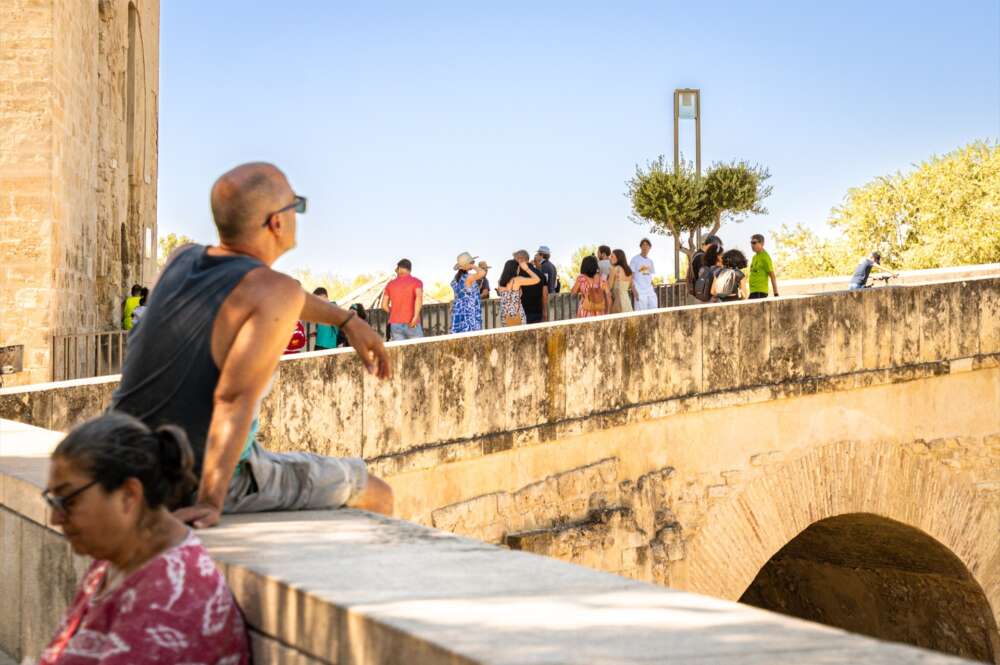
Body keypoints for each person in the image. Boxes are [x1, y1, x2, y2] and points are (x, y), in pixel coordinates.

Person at [110, 162, 393, 529]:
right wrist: (211, 500)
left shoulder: (181, 259)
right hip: (188, 480)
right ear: (277, 222)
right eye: (296, 206)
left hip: (120, 455)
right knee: (375, 492)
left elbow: (278, 295)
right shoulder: (274, 291)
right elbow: (232, 399)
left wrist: (346, 319)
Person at [38, 412, 249, 664]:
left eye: (69, 500)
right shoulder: (113, 562)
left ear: (129, 494)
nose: (56, 518)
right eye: (54, 501)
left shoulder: (172, 599)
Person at [382, 258, 424, 341]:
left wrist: (394, 312)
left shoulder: (390, 284)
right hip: (412, 322)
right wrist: (415, 317)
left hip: (395, 324)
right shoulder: (417, 282)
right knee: (418, 350)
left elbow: (384, 306)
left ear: (399, 268)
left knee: (401, 352)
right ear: (409, 269)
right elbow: (418, 298)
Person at [497, 252, 541, 327]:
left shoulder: (500, 281)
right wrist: (527, 269)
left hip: (505, 315)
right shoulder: (516, 280)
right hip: (516, 314)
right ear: (515, 269)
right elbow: (537, 280)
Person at [450, 252, 487, 333]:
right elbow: (482, 273)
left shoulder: (456, 279)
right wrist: (472, 266)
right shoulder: (468, 278)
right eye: (472, 262)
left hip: (459, 313)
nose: (473, 263)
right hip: (470, 313)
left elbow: (456, 296)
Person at [686, 235, 723, 299]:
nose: (716, 250)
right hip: (702, 296)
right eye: (716, 247)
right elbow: (705, 277)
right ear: (710, 245)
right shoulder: (701, 257)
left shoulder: (697, 254)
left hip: (698, 294)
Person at [521, 252, 550, 324]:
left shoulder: (517, 275)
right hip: (538, 312)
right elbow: (545, 295)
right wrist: (545, 312)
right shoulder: (541, 275)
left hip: (522, 313)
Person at [748, 234, 779, 299]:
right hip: (753, 291)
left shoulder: (765, 257)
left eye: (754, 243)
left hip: (760, 292)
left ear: (762, 243)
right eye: (751, 243)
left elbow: (772, 276)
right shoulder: (754, 257)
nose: (752, 245)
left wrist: (776, 294)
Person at [629, 238, 657, 311]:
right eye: (643, 245)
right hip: (639, 291)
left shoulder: (650, 261)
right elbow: (630, 276)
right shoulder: (635, 259)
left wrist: (653, 285)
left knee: (654, 311)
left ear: (650, 247)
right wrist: (634, 290)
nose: (645, 247)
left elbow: (649, 275)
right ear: (640, 247)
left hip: (650, 290)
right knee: (641, 315)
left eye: (647, 245)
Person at [608, 249, 634, 314]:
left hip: (617, 302)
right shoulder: (629, 271)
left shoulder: (614, 269)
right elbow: (630, 286)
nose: (610, 258)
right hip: (627, 301)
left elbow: (609, 287)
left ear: (618, 258)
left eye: (612, 256)